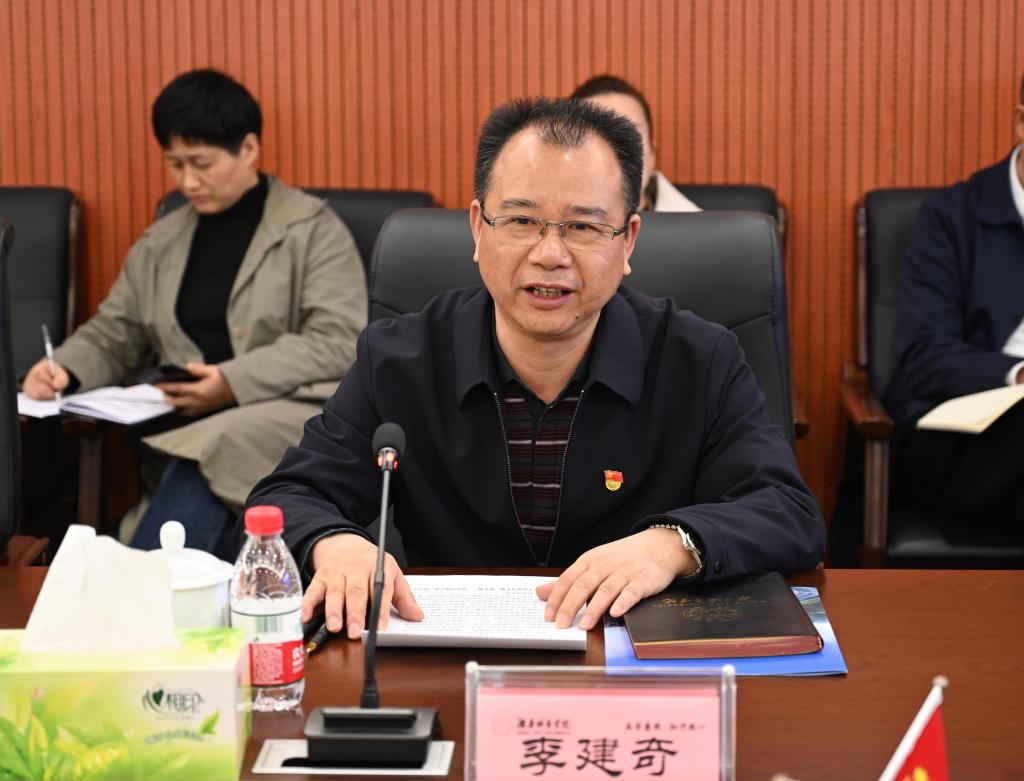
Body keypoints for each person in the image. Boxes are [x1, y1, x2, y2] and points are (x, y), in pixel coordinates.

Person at [245, 96, 824, 641]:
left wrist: (669, 546)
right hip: (452, 659)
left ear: (628, 241)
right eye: (522, 221)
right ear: (478, 228)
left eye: (583, 226)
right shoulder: (399, 359)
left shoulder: (699, 359)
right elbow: (290, 494)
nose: (550, 254)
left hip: (630, 661)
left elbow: (788, 513)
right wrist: (335, 542)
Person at [22, 69, 367, 557]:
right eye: (175, 164)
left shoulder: (313, 228)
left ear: (249, 148)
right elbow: (115, 331)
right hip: (182, 429)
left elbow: (339, 339)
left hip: (290, 417)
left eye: (202, 163)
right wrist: (65, 368)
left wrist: (231, 381)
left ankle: (146, 588)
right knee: (211, 480)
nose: (187, 181)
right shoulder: (161, 242)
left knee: (218, 448)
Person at [880, 72, 1024, 527]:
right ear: (1021, 122)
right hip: (964, 438)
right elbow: (924, 356)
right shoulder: (952, 216)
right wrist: (1018, 374)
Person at [570, 74, 701, 213]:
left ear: (652, 154)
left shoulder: (701, 225)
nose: (615, 152)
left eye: (629, 135)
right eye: (596, 137)